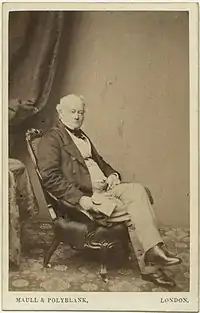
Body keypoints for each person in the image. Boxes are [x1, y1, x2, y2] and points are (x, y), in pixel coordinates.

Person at [37, 94, 182, 288]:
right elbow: (50, 178)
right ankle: (152, 260)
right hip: (87, 198)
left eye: (81, 112)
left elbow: (101, 163)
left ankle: (153, 251)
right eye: (73, 112)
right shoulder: (51, 139)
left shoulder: (81, 135)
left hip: (106, 189)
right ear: (60, 111)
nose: (77, 116)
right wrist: (81, 199)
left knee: (138, 191)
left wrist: (112, 174)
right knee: (135, 211)